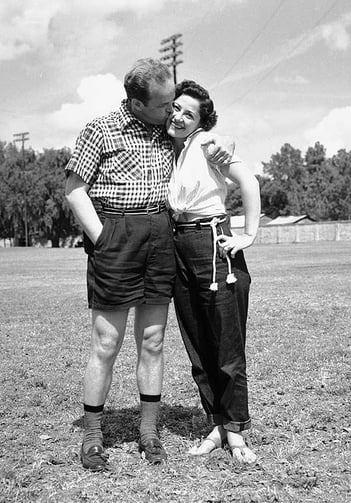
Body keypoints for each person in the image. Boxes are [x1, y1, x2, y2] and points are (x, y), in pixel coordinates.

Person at [64, 59, 233, 471]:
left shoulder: (166, 127)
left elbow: (202, 138)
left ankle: (149, 432)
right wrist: (102, 237)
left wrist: (224, 145)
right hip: (117, 237)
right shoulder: (100, 128)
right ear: (136, 103)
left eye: (174, 104)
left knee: (153, 340)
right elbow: (74, 190)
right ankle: (91, 437)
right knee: (107, 343)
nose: (171, 111)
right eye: (163, 106)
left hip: (161, 233)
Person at [166, 80, 260, 463]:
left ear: (201, 121)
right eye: (176, 108)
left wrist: (248, 234)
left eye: (189, 113)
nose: (179, 116)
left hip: (210, 241)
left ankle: (236, 431)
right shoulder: (170, 147)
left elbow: (248, 182)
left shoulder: (207, 143)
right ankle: (217, 425)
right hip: (179, 244)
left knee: (225, 342)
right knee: (198, 340)